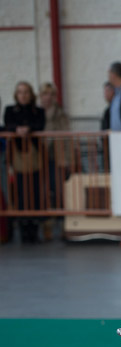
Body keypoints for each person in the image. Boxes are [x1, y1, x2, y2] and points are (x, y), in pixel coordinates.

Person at [4, 81, 46, 243]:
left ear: (31, 94)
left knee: (35, 192)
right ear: (16, 95)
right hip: (18, 156)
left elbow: (40, 125)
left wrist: (28, 129)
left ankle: (34, 229)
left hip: (35, 156)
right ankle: (23, 228)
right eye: (20, 92)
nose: (23, 95)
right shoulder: (10, 110)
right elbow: (6, 125)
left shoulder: (38, 111)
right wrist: (17, 130)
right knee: (20, 192)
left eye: (26, 92)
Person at [38, 82, 71, 240]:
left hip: (57, 158)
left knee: (59, 192)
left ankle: (65, 225)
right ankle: (47, 227)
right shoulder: (36, 113)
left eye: (51, 94)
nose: (47, 98)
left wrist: (67, 159)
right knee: (43, 193)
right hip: (40, 158)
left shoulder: (60, 114)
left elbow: (66, 138)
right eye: (45, 94)